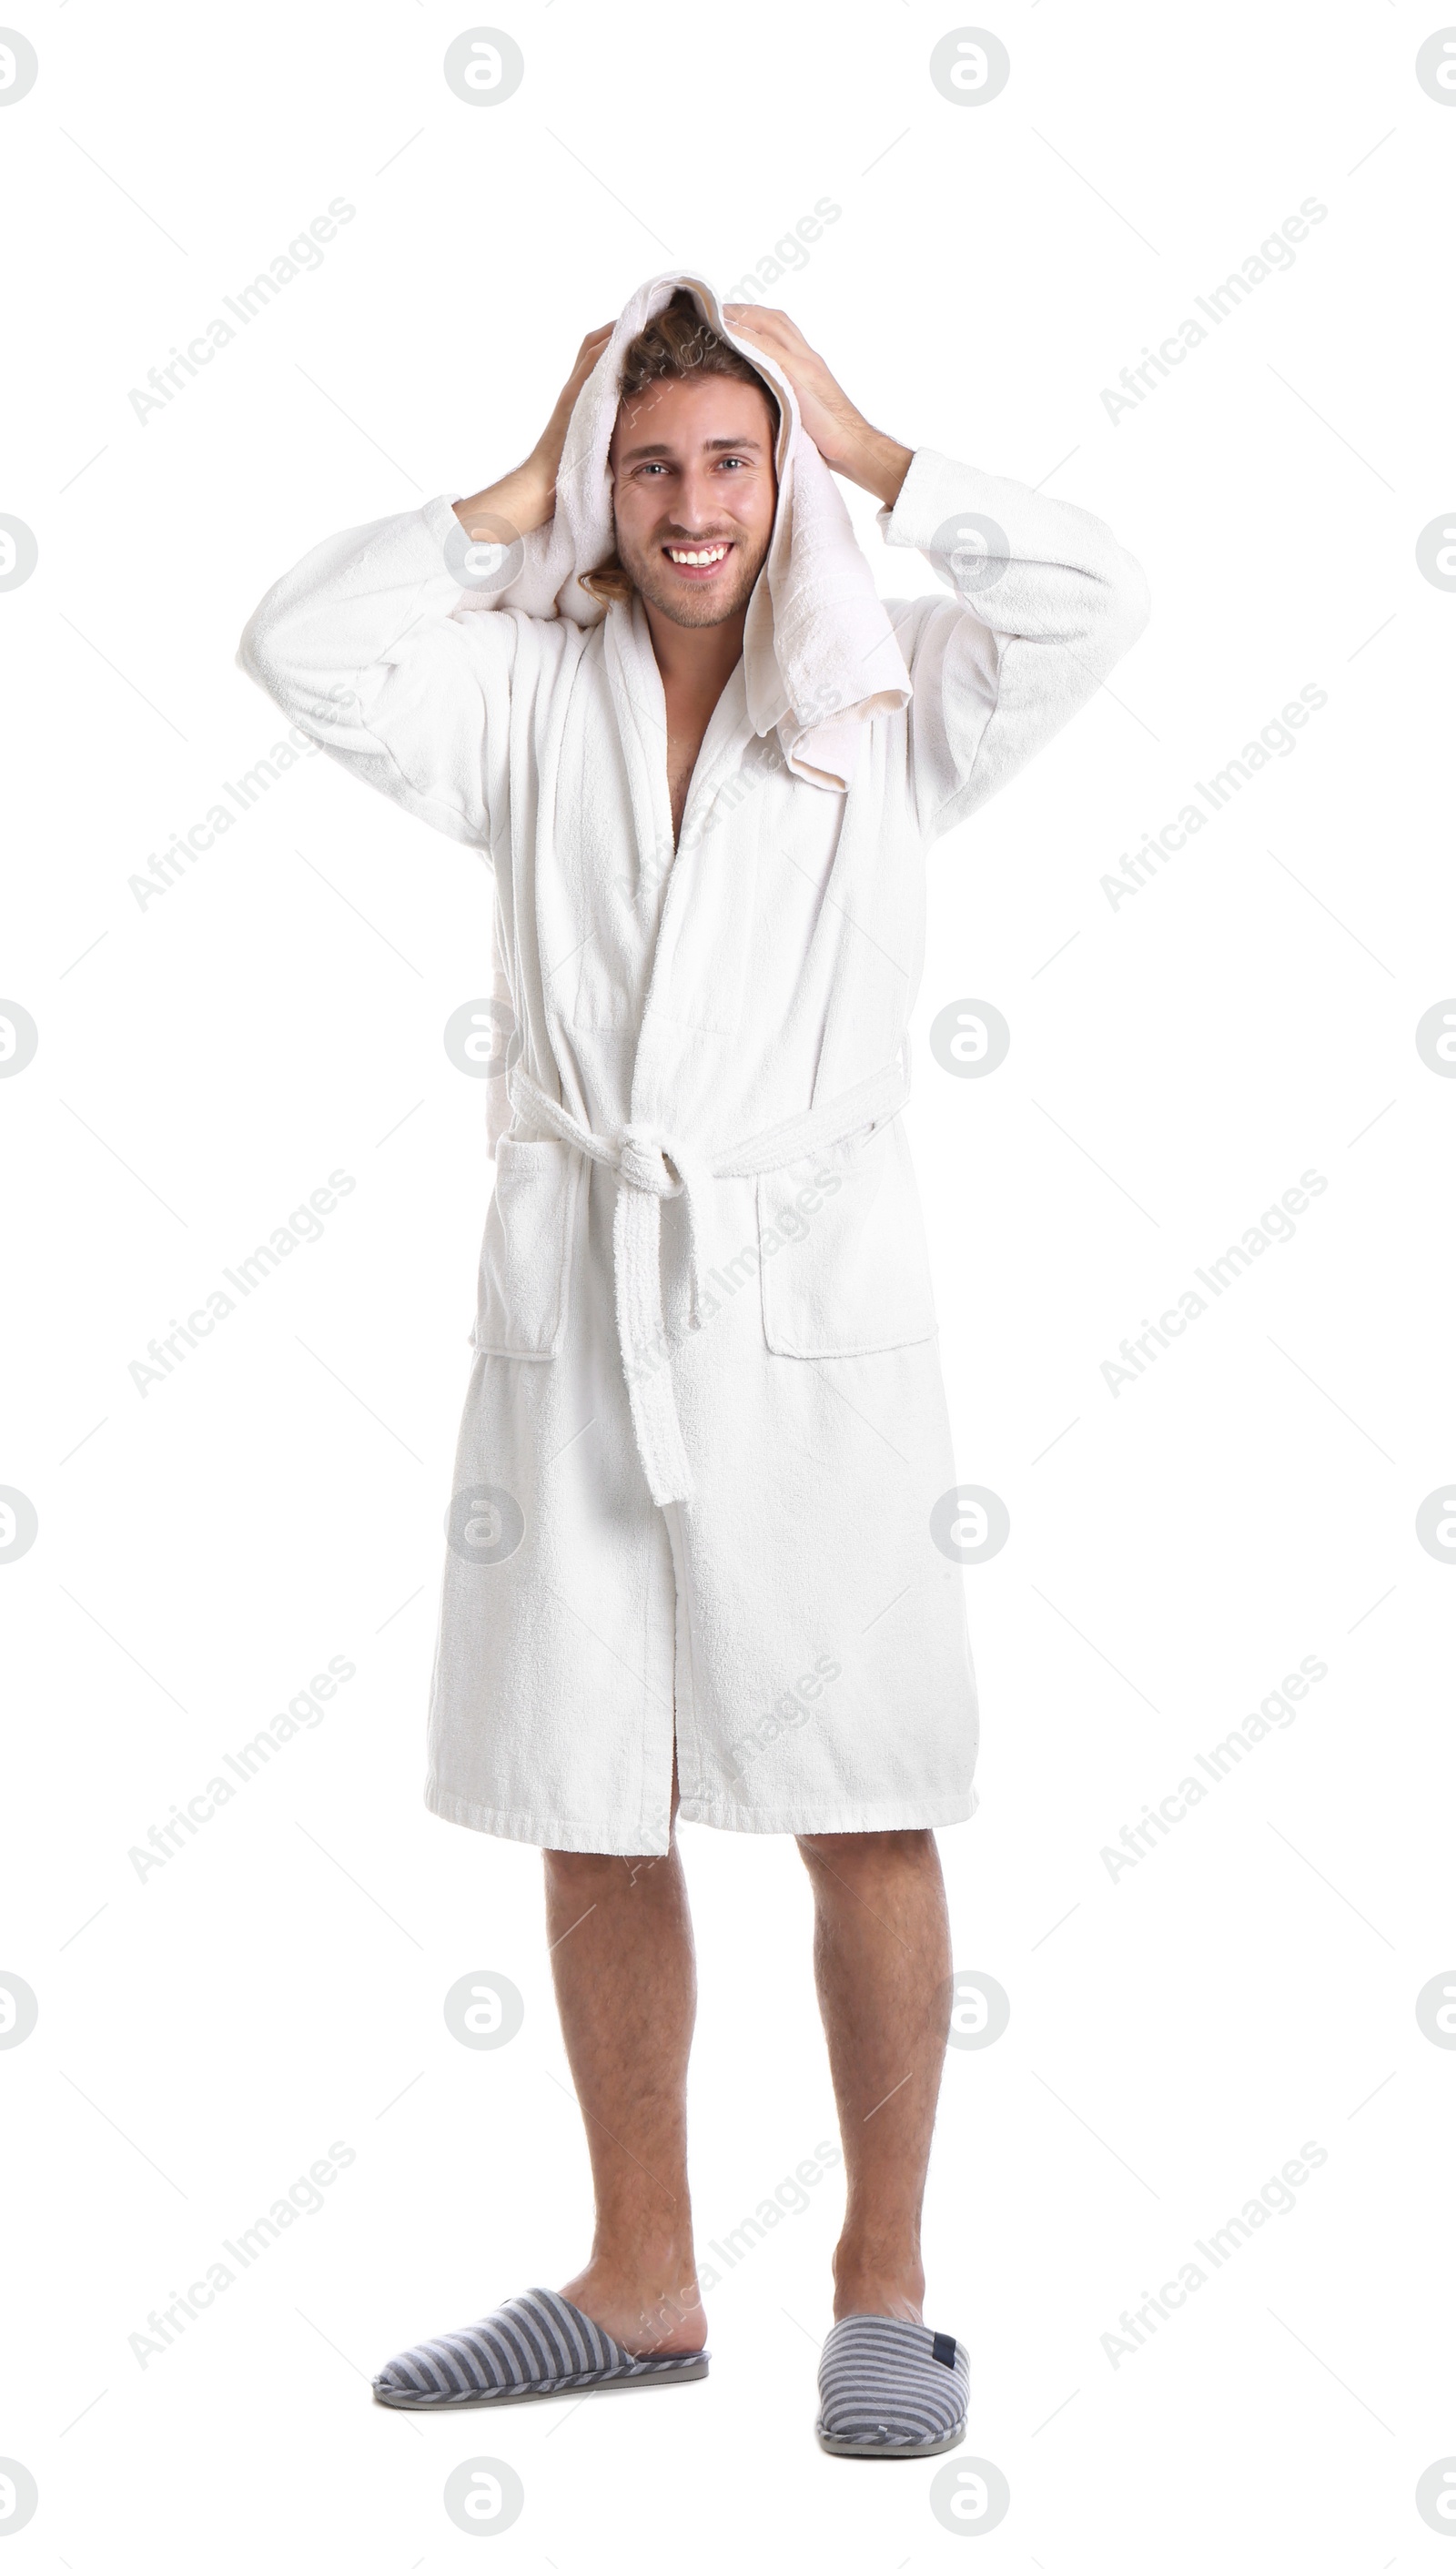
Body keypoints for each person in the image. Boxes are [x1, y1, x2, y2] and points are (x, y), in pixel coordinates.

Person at [238, 272, 1149, 2457]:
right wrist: (512, 481)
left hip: (807, 1295)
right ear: (604, 482)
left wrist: (866, 437)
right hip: (578, 1288)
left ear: (780, 476)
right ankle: (638, 2285)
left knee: (862, 1790)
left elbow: (1101, 599)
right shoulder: (518, 692)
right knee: (585, 1787)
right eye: (647, 464)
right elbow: (297, 646)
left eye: (727, 459)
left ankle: (884, 2293)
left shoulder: (880, 689)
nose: (689, 502)